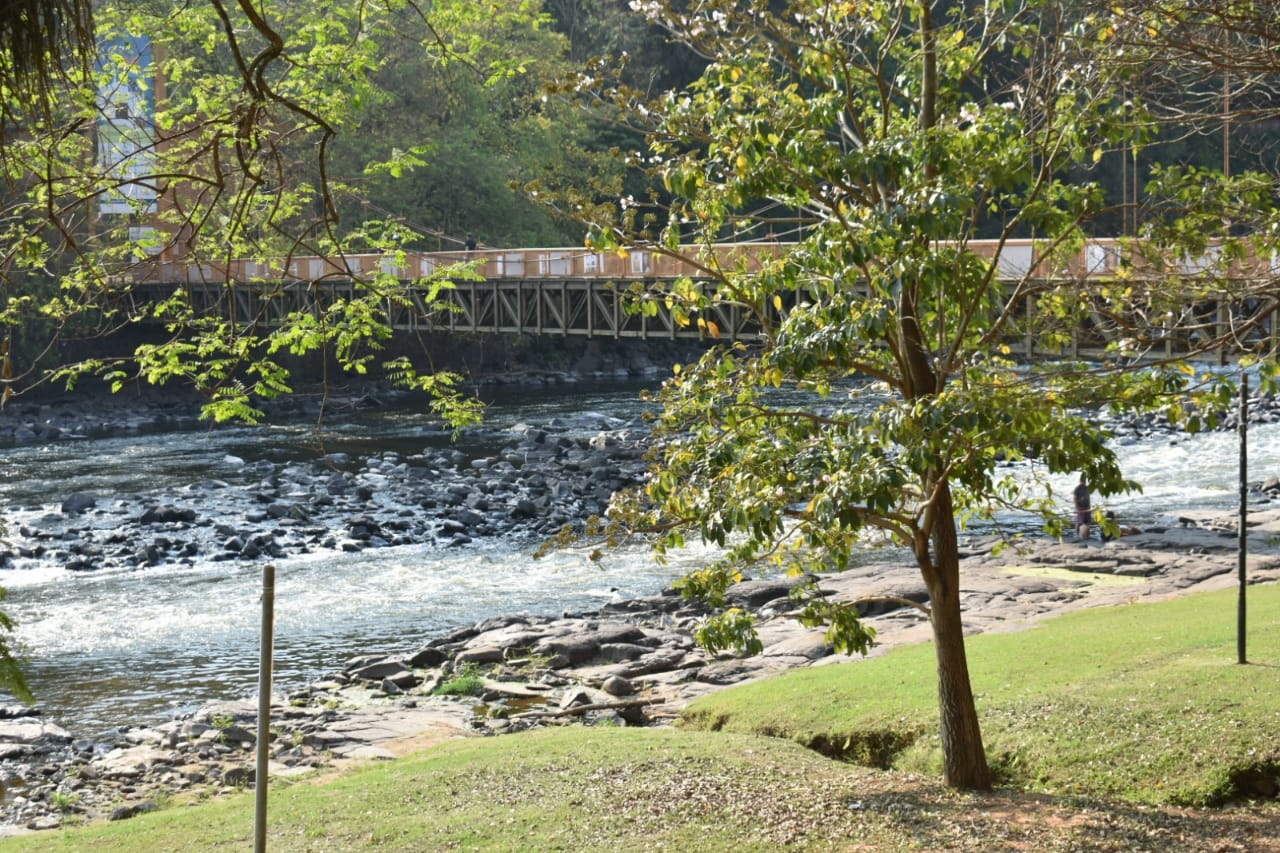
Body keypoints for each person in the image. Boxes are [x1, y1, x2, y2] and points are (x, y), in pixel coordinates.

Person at [1073, 475, 1091, 541]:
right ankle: (1077, 534)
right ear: (1080, 481)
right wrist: (1077, 508)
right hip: (1080, 507)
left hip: (1087, 506)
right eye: (1083, 481)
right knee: (1079, 521)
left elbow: (1088, 497)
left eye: (1085, 481)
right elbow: (1074, 499)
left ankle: (1087, 534)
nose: (1084, 482)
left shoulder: (1087, 488)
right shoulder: (1077, 488)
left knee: (1087, 521)